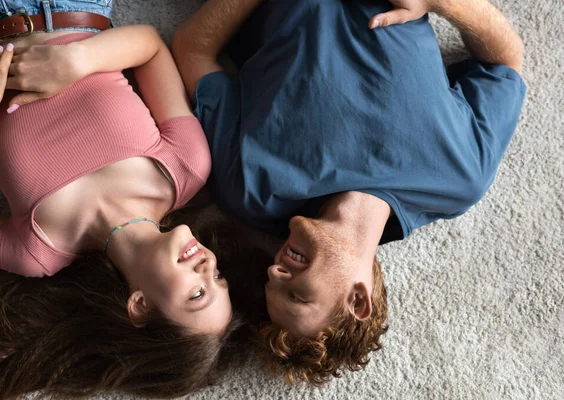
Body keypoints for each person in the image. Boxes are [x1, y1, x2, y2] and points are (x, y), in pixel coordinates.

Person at [170, 0, 526, 385]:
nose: (274, 270)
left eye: (273, 284)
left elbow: (193, 49)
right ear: (358, 299)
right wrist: (442, 3)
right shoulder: (459, 179)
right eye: (297, 295)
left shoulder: (250, 193)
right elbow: (506, 64)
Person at [0, 1, 239, 398]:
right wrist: (78, 59)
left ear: (141, 306)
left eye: (197, 294)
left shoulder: (36, 251)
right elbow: (150, 45)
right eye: (219, 278)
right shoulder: (186, 168)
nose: (208, 266)